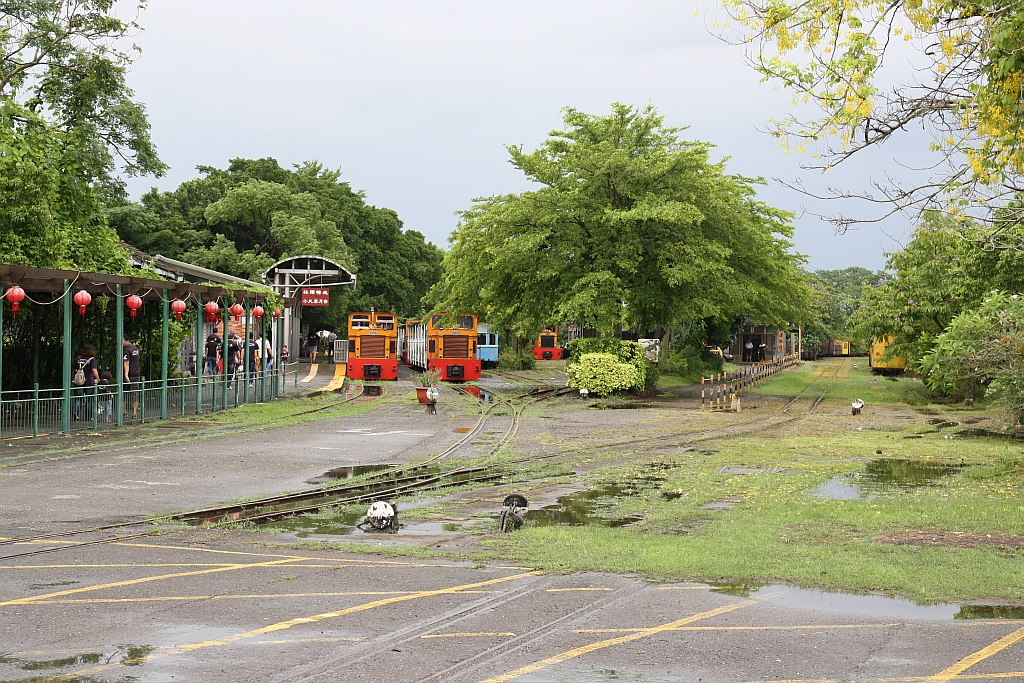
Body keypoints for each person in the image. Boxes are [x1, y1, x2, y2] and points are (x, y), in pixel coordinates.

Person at [72, 344, 100, 420]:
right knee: (89, 399)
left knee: (78, 398)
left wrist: (79, 373)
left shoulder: (78, 358)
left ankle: (76, 413)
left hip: (78, 382)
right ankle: (89, 416)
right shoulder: (92, 359)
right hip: (89, 381)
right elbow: (94, 370)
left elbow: (73, 368)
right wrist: (98, 379)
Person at [122, 334, 141, 418]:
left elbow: (126, 362)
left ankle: (124, 411)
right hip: (136, 373)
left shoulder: (126, 350)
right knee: (135, 393)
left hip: (129, 374)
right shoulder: (135, 348)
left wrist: (126, 374)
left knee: (124, 393)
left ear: (126, 340)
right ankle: (134, 413)